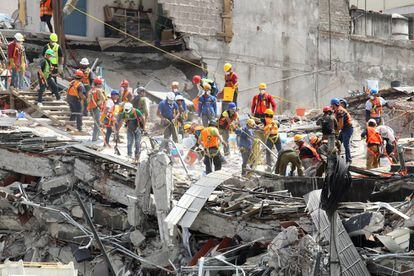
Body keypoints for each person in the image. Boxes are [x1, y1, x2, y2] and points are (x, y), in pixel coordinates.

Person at [331, 98, 353, 163]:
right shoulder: (336, 110)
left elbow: (341, 125)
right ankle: (337, 157)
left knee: (346, 144)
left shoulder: (340, 111)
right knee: (338, 142)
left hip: (348, 129)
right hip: (344, 129)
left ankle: (348, 160)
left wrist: (337, 131)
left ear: (334, 105)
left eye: (332, 105)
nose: (331, 106)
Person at [87, 77, 106, 142]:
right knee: (97, 123)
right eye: (100, 84)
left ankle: (96, 137)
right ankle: (95, 138)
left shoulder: (91, 90)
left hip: (91, 108)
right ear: (98, 84)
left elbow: (88, 101)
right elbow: (103, 99)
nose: (101, 85)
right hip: (96, 108)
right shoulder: (99, 90)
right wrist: (99, 103)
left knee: (97, 122)